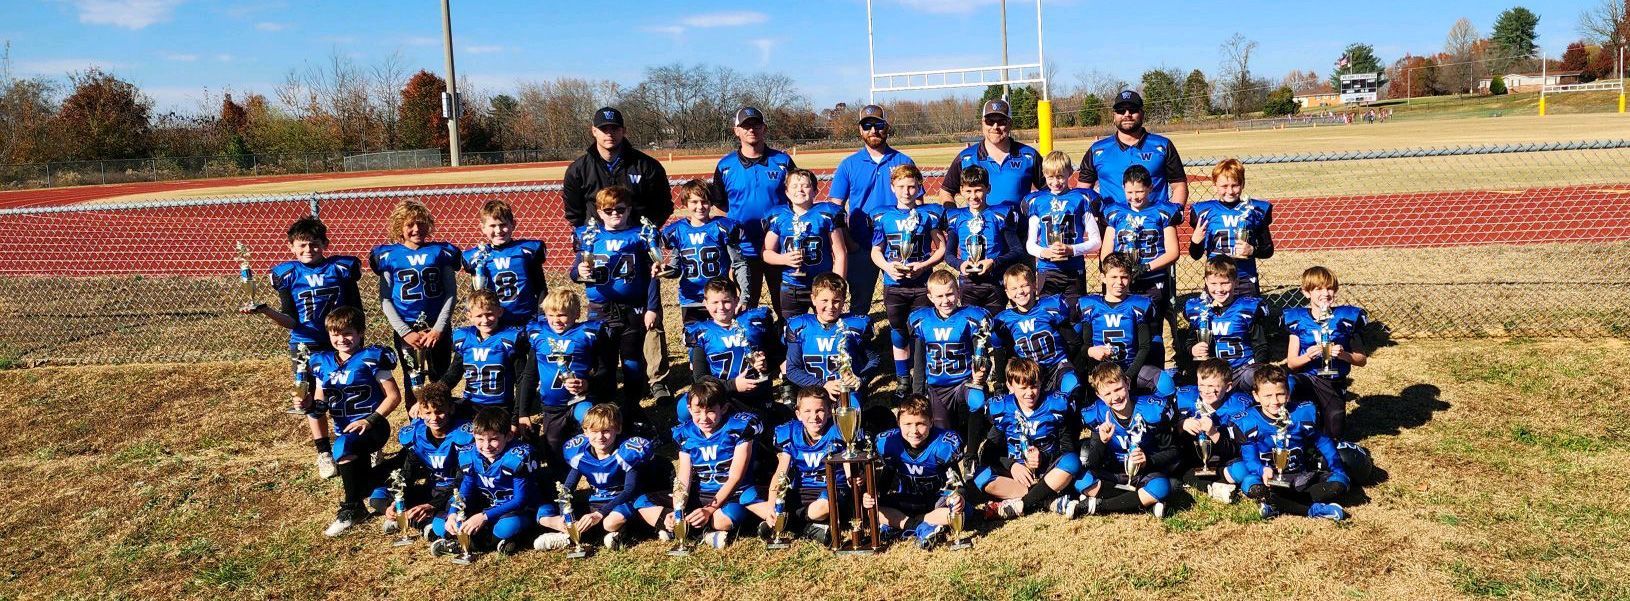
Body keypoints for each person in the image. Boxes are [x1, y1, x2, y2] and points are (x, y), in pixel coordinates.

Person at [243, 216, 362, 461]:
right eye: (302, 245)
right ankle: (324, 452)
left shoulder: (341, 268)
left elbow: (356, 310)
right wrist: (265, 310)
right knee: (308, 398)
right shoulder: (287, 274)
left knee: (351, 392)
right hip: (304, 342)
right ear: (292, 247)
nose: (309, 249)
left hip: (340, 341)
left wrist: (359, 341)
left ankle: (361, 444)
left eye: (314, 244)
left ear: (325, 244)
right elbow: (291, 320)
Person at [306, 306, 403, 536]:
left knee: (343, 447)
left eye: (348, 333)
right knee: (360, 473)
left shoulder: (371, 358)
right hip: (345, 429)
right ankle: (389, 476)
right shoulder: (322, 363)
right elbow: (321, 404)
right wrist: (308, 405)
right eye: (335, 335)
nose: (341, 339)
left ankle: (352, 508)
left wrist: (369, 420)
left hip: (374, 425)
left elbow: (393, 396)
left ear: (360, 333)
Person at [572, 186, 664, 412]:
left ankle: (633, 405)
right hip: (600, 307)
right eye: (609, 210)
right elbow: (574, 271)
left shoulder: (640, 235)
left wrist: (652, 307)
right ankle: (607, 405)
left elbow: (653, 276)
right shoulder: (588, 235)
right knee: (604, 359)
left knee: (632, 357)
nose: (615, 214)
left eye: (620, 209)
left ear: (629, 209)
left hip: (632, 307)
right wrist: (579, 272)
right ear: (599, 212)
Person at [370, 200, 461, 409]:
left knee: (441, 377)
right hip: (407, 327)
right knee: (413, 378)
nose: (416, 229)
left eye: (421, 223)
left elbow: (450, 293)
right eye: (410, 224)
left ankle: (441, 420)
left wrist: (439, 328)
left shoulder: (441, 252)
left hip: (436, 326)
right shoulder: (388, 255)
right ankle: (415, 425)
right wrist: (404, 331)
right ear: (399, 227)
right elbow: (385, 299)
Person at [1228, 365, 1350, 522]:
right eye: (1268, 396)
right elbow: (1250, 459)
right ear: (1256, 396)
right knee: (1254, 487)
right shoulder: (1247, 421)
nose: (1275, 401)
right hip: (1268, 478)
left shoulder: (1303, 412)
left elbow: (1323, 442)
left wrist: (1337, 469)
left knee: (1340, 483)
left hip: (1299, 474)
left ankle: (1277, 504)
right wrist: (1261, 470)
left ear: (1288, 394)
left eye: (1280, 394)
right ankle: (1312, 509)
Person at [828, 104, 917, 316]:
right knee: (860, 301)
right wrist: (849, 242)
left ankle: (902, 342)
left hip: (898, 245)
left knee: (902, 301)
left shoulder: (903, 161)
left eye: (878, 125)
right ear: (860, 130)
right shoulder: (849, 164)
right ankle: (863, 343)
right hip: (862, 244)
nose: (873, 130)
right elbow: (834, 209)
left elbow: (918, 205)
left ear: (886, 127)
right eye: (867, 125)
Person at [534, 403, 660, 552]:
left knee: (611, 521)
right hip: (596, 501)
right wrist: (565, 514)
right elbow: (566, 489)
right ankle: (570, 535)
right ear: (585, 431)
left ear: (618, 429)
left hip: (622, 501)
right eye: (594, 431)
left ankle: (610, 534)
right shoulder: (580, 454)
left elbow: (629, 490)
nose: (600, 437)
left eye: (606, 431)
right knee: (545, 513)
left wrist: (599, 514)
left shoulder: (627, 452)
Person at [968, 357, 1081, 519]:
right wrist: (1012, 465)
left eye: (1034, 386)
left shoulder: (1056, 404)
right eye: (1023, 388)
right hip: (1017, 476)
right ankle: (1045, 499)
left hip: (1049, 471)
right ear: (1010, 386)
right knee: (980, 475)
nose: (1030, 393)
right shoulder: (1002, 409)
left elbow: (1067, 448)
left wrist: (1043, 457)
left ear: (1041, 383)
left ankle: (1023, 503)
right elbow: (988, 454)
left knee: (1072, 461)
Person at [710, 107, 798, 311]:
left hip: (779, 246)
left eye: (756, 125)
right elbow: (720, 203)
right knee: (745, 305)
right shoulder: (725, 165)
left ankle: (784, 341)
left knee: (784, 304)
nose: (751, 130)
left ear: (764, 128)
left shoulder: (782, 161)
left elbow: (796, 197)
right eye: (746, 126)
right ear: (736, 130)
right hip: (744, 249)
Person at [870, 163, 946, 395]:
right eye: (901, 186)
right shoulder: (882, 214)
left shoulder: (929, 213)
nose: (907, 191)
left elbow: (941, 248)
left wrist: (923, 266)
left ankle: (921, 377)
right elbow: (875, 250)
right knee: (898, 330)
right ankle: (903, 378)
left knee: (922, 331)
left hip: (921, 284)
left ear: (920, 187)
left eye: (912, 187)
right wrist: (888, 267)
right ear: (892, 187)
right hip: (894, 284)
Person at [666, 378, 769, 549]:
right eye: (697, 412)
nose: (704, 418)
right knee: (662, 513)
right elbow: (683, 477)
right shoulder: (685, 433)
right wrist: (678, 509)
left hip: (732, 493)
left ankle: (697, 532)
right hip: (702, 492)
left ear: (724, 408)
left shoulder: (738, 428)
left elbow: (736, 477)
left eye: (710, 411)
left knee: (723, 521)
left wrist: (708, 509)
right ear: (689, 409)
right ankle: (698, 531)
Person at [516, 289, 608, 471]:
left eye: (562, 315)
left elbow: (605, 371)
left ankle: (600, 477)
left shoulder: (589, 333)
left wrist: (588, 383)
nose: (556, 320)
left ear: (576, 314)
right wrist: (523, 412)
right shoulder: (539, 334)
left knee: (594, 435)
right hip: (552, 406)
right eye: (551, 315)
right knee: (553, 450)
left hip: (581, 401)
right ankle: (562, 489)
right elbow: (529, 376)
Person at [1073, 363, 1177, 517]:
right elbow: (1093, 463)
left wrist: (1148, 460)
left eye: (1118, 389)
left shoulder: (1151, 409)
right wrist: (1101, 441)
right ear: (1099, 395)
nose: (1115, 397)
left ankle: (1101, 505)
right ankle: (1140, 502)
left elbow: (1174, 451)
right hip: (1114, 473)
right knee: (1081, 481)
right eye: (1107, 394)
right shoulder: (1099, 415)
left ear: (1127, 383)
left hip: (1144, 474)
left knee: (1161, 486)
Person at [756, 386, 855, 545]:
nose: (814, 416)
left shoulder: (839, 431)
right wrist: (771, 507)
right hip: (800, 491)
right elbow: (781, 474)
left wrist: (853, 479)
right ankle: (807, 528)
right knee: (749, 497)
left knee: (824, 506)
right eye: (807, 411)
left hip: (831, 490)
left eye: (819, 411)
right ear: (798, 414)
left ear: (830, 411)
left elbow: (848, 466)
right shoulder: (791, 433)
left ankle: (790, 523)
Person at [1282, 266, 1371, 440]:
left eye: (1330, 288)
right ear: (1307, 293)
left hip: (1334, 381)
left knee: (1334, 433)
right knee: (1288, 383)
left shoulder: (1346, 318)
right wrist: (1308, 356)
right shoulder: (1298, 319)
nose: (1325, 293)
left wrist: (1343, 354)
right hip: (1308, 378)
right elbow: (1292, 363)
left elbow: (1361, 359)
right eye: (1318, 289)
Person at [868, 394, 967, 549]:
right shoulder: (890, 443)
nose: (914, 430)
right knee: (871, 509)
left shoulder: (942, 445)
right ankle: (922, 526)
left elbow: (957, 485)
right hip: (907, 499)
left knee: (958, 511)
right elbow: (886, 478)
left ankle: (902, 525)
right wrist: (875, 496)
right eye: (907, 424)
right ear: (898, 423)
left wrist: (958, 497)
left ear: (931, 422)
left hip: (936, 500)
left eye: (920, 424)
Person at [439, 407, 539, 556]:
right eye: (480, 439)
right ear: (474, 436)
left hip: (515, 509)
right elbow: (466, 488)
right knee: (440, 524)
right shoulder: (470, 454)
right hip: (486, 504)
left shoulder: (518, 456)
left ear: (509, 436)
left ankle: (470, 543)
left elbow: (520, 499)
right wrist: (454, 512)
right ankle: (481, 539)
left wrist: (484, 516)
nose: (486, 446)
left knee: (507, 527)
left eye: (493, 439)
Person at [384, 382, 473, 543]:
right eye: (428, 412)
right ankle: (413, 518)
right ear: (421, 412)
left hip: (457, 492)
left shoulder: (464, 435)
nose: (433, 418)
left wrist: (432, 505)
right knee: (379, 497)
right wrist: (395, 502)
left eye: (439, 412)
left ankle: (423, 522)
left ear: (451, 409)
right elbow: (408, 473)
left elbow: (464, 480)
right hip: (432, 488)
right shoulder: (417, 434)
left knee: (448, 518)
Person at [684, 278, 778, 422]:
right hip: (720, 396)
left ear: (736, 300)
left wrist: (765, 365)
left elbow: (775, 357)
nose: (721, 307)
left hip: (756, 394)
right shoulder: (702, 333)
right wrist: (733, 385)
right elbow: (700, 378)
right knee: (683, 408)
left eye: (726, 301)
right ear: (706, 303)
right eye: (715, 302)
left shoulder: (753, 323)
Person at [910, 270, 992, 435]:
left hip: (964, 381)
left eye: (949, 294)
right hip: (937, 387)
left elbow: (981, 354)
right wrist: (917, 394)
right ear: (930, 297)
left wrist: (982, 373)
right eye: (939, 296)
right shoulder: (921, 320)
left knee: (977, 400)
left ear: (958, 292)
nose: (945, 300)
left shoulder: (971, 317)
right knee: (944, 432)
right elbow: (919, 362)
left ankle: (972, 452)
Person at [561, 107, 672, 228]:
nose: (609, 133)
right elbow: (574, 213)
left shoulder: (647, 166)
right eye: (604, 129)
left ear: (623, 130)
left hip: (636, 242)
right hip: (597, 243)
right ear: (594, 131)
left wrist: (646, 232)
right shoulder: (578, 170)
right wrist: (590, 234)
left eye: (614, 128)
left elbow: (663, 206)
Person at [783, 273, 880, 412]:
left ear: (844, 300)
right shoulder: (799, 326)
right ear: (813, 299)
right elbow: (792, 370)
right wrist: (823, 385)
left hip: (847, 392)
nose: (830, 306)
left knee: (851, 420)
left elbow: (873, 360)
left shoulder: (856, 325)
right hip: (813, 392)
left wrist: (860, 379)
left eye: (836, 301)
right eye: (824, 300)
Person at [1080, 90, 1189, 213]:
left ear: (1142, 113)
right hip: (1111, 227)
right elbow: (1083, 190)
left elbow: (1179, 185)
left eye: (1133, 110)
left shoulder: (1162, 145)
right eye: (1121, 111)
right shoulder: (1097, 150)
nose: (1127, 114)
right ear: (1114, 116)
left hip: (1154, 226)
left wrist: (1171, 214)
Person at [663, 179, 752, 326]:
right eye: (694, 202)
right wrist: (663, 270)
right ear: (685, 203)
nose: (700, 206)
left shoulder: (722, 227)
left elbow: (739, 263)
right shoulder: (677, 231)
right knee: (696, 345)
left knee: (721, 343)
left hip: (720, 298)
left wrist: (744, 296)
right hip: (691, 299)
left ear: (711, 203)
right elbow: (675, 269)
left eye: (704, 201)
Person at [1101, 165, 1181, 328]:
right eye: (1130, 192)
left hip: (1154, 279)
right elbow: (1106, 252)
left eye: (1139, 191)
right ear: (1123, 188)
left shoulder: (1162, 211)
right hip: (1124, 280)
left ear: (1150, 188)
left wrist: (1146, 267)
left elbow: (1173, 252)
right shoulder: (1115, 212)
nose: (1134, 197)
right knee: (1126, 325)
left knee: (1154, 325)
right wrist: (1114, 272)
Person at [763, 168, 848, 318]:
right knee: (791, 327)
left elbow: (840, 253)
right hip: (792, 285)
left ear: (815, 190)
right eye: (794, 186)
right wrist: (784, 259)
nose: (800, 189)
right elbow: (766, 253)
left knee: (828, 324)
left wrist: (837, 284)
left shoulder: (827, 214)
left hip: (823, 284)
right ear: (787, 192)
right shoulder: (778, 216)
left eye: (805, 185)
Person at [1021, 150, 1102, 307]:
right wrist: (1044, 252)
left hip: (1074, 268)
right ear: (1044, 174)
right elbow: (1030, 244)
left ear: (1070, 173)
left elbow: (1096, 241)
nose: (1056, 182)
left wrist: (1071, 250)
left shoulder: (1081, 199)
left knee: (1075, 316)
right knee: (1048, 314)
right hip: (1047, 269)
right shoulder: (1037, 201)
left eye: (1060, 176)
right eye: (1051, 177)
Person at [1076, 253, 1164, 394]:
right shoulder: (1090, 306)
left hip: (1132, 367)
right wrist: (1090, 351)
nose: (1119, 282)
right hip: (1102, 373)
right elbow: (1083, 345)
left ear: (1130, 278)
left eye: (1124, 277)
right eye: (1114, 277)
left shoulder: (1139, 305)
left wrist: (1128, 376)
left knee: (1164, 382)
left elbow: (1144, 346)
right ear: (1103, 278)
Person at [939, 99, 1042, 217]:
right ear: (982, 122)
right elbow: (946, 192)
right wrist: (955, 218)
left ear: (1010, 123)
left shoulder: (1029, 156)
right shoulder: (966, 158)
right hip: (980, 233)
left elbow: (1049, 190)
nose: (995, 126)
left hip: (1020, 233)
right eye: (990, 121)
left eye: (1001, 121)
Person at [992, 263, 1081, 399]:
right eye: (1014, 288)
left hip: (1057, 366)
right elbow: (1000, 353)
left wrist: (1070, 364)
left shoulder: (1050, 307)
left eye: (1024, 285)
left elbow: (1073, 341)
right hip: (1029, 373)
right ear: (1007, 293)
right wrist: (1000, 384)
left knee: (1071, 384)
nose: (1020, 292)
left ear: (1034, 285)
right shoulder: (1004, 320)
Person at [1189, 158, 1274, 297]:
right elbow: (1195, 255)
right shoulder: (1203, 211)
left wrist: (1252, 250)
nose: (1230, 191)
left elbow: (1268, 250)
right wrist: (1196, 241)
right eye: (1224, 186)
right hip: (1217, 281)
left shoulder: (1256, 209)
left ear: (1242, 184)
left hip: (1245, 278)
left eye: (1235, 185)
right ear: (1214, 185)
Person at [944, 165, 1023, 314]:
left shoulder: (1000, 214)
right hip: (968, 283)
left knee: (994, 327)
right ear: (961, 190)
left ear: (988, 188)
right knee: (972, 325)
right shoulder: (955, 217)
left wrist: (994, 262)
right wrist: (960, 265)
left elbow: (1017, 250)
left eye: (978, 190)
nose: (973, 196)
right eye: (968, 191)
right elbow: (948, 255)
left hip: (995, 281)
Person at [1183, 257, 1272, 390]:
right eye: (1214, 283)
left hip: (1242, 369)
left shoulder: (1246, 308)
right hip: (1212, 374)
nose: (1219, 289)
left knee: (1258, 377)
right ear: (1206, 282)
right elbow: (1189, 342)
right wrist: (1193, 349)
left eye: (1225, 283)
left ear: (1236, 282)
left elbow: (1261, 347)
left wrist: (1259, 371)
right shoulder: (1199, 310)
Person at [1172, 358, 1253, 502]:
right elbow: (1167, 439)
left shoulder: (1239, 406)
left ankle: (1214, 481)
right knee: (1177, 465)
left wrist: (1214, 433)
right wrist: (1181, 425)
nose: (1206, 390)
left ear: (1228, 387)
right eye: (1201, 385)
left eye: (1211, 386)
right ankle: (1213, 486)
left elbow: (1237, 449)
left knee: (1242, 469)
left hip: (1224, 459)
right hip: (1190, 460)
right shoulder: (1185, 397)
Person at [440, 290, 528, 421]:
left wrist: (517, 416)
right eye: (479, 315)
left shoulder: (510, 339)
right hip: (470, 404)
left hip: (500, 407)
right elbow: (453, 375)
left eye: (489, 314)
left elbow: (521, 380)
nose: (485, 320)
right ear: (469, 316)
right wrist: (428, 398)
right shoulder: (464, 339)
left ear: (500, 312)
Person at [463, 199, 547, 329]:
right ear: (483, 228)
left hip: (527, 318)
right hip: (494, 321)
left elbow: (540, 286)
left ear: (513, 224)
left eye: (503, 224)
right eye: (492, 226)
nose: (498, 230)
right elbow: (477, 292)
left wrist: (542, 314)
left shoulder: (526, 251)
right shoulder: (478, 256)